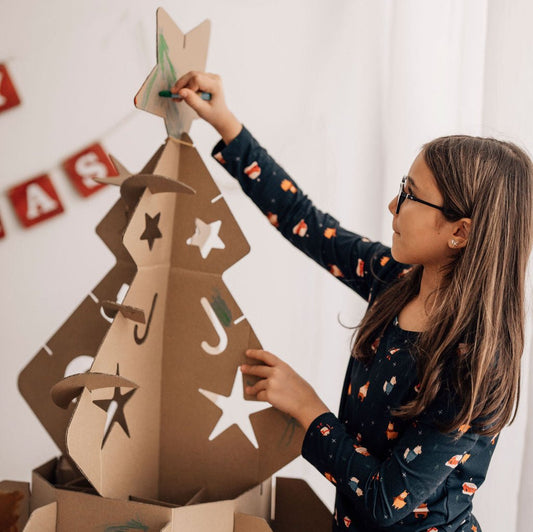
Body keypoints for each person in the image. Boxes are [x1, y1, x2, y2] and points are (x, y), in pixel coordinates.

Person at [172, 71, 533, 531]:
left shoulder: (476, 362)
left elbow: (385, 499)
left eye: (410, 195)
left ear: (460, 232)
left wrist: (307, 408)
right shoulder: (397, 278)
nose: (393, 205)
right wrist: (226, 124)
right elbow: (305, 222)